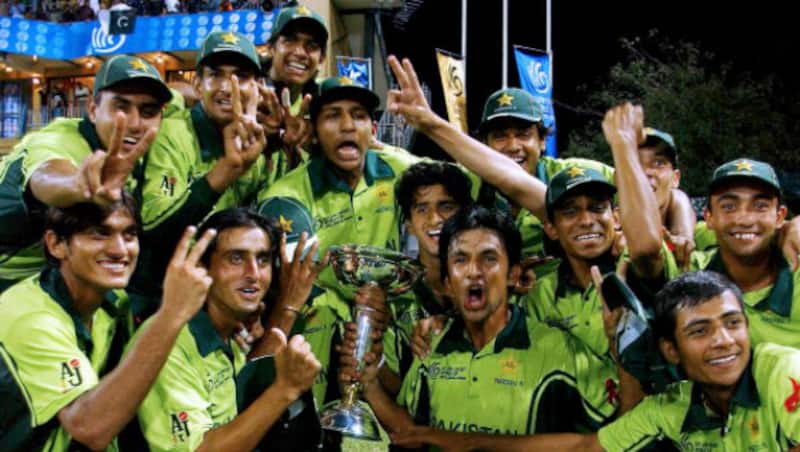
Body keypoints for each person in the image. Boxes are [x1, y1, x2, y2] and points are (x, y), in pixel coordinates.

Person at [399, 271, 800, 450]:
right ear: (670, 350)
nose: (723, 341)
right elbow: (585, 447)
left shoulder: (783, 370)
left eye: (733, 323)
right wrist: (459, 441)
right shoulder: (674, 406)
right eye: (700, 331)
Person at [343, 206, 618, 445]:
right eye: (460, 260)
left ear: (513, 274)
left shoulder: (559, 351)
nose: (474, 271)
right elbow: (412, 434)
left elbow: (616, 430)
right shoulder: (431, 345)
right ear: (449, 283)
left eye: (489, 258)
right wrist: (370, 383)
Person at [0, 194, 216, 451]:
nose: (119, 250)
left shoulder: (113, 303)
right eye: (100, 234)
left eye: (129, 234)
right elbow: (89, 427)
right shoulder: (31, 318)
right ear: (56, 244)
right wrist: (171, 315)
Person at [256, 75, 419, 408]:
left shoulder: (398, 169)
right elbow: (300, 286)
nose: (347, 126)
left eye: (358, 115)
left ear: (372, 129)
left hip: (384, 324)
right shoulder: (285, 197)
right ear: (314, 130)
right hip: (314, 330)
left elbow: (469, 185)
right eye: (333, 115)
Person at [134, 208, 324, 451]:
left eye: (263, 259)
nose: (253, 274)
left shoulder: (232, 333)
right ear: (203, 265)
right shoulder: (168, 342)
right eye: (236, 258)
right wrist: (285, 389)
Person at [0, 55, 170, 291]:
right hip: (8, 274)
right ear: (92, 109)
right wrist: (79, 187)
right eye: (121, 107)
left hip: (54, 273)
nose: (135, 123)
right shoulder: (58, 139)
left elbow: (181, 98)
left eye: (148, 111)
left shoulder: (143, 145)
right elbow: (47, 174)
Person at [525, 103, 678, 357]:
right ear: (551, 228)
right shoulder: (540, 295)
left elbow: (648, 249)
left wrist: (623, 146)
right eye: (570, 212)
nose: (586, 220)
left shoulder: (633, 267)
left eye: (597, 208)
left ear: (617, 217)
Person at [131, 31, 267, 310]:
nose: (228, 88)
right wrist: (227, 170)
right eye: (215, 75)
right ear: (197, 84)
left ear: (257, 88)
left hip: (217, 296)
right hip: (155, 296)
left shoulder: (260, 149)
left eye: (240, 76)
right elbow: (155, 228)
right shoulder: (171, 133)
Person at [380, 161, 473, 392]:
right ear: (409, 224)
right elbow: (394, 389)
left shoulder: (490, 284)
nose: (435, 219)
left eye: (446, 206)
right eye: (422, 209)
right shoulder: (394, 297)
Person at [688, 158, 800, 348]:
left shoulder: (796, 272)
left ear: (780, 216)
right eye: (729, 206)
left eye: (760, 206)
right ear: (709, 217)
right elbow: (647, 250)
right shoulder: (691, 269)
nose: (744, 219)